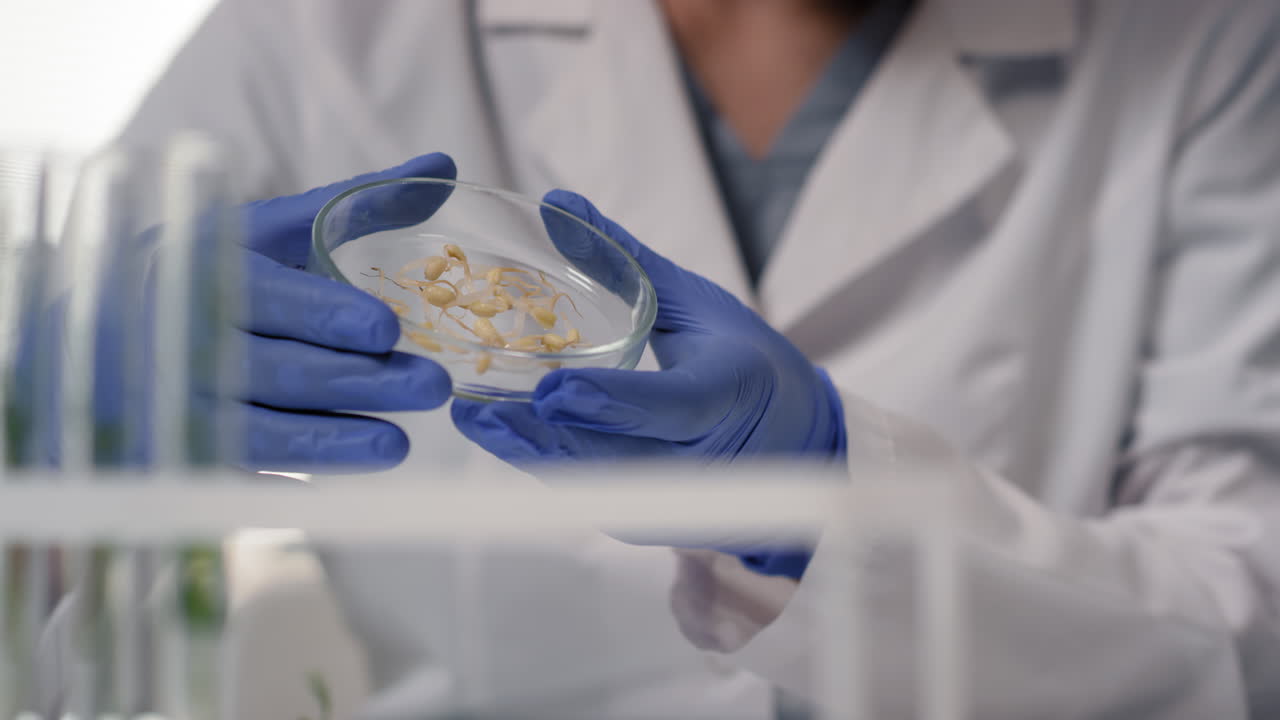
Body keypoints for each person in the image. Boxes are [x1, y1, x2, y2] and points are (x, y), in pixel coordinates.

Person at [111, 0, 1280, 717]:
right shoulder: (320, 33)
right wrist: (75, 402)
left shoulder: (1209, 43)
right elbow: (42, 441)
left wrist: (825, 496)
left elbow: (1246, 637)